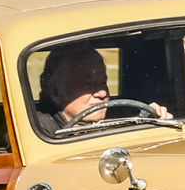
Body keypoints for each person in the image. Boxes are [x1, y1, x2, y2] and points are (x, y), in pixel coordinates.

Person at [34, 44, 171, 134]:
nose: (103, 93)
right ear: (56, 93)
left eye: (103, 82)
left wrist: (155, 124)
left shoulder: (123, 117)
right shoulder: (38, 130)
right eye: (87, 85)